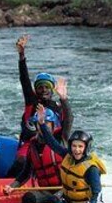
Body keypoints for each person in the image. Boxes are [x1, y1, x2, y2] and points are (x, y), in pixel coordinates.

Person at [8, 34, 72, 177]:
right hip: (32, 144)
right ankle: (6, 183)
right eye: (40, 87)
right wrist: (21, 55)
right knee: (20, 161)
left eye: (46, 87)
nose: (43, 90)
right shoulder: (32, 102)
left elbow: (68, 122)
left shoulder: (58, 107)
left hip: (54, 145)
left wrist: (64, 99)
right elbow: (24, 79)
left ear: (52, 89)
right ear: (36, 90)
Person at [35, 104, 106, 203]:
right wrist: (42, 123)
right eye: (74, 146)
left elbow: (97, 194)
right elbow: (51, 142)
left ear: (86, 148)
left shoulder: (91, 169)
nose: (76, 150)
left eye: (80, 146)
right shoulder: (67, 155)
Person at [2, 107, 65, 203]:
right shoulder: (32, 146)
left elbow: (69, 119)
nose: (43, 127)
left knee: (54, 200)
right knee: (28, 197)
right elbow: (25, 173)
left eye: (47, 123)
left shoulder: (61, 141)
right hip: (45, 191)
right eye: (39, 124)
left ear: (53, 125)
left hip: (64, 190)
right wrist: (12, 186)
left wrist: (64, 99)